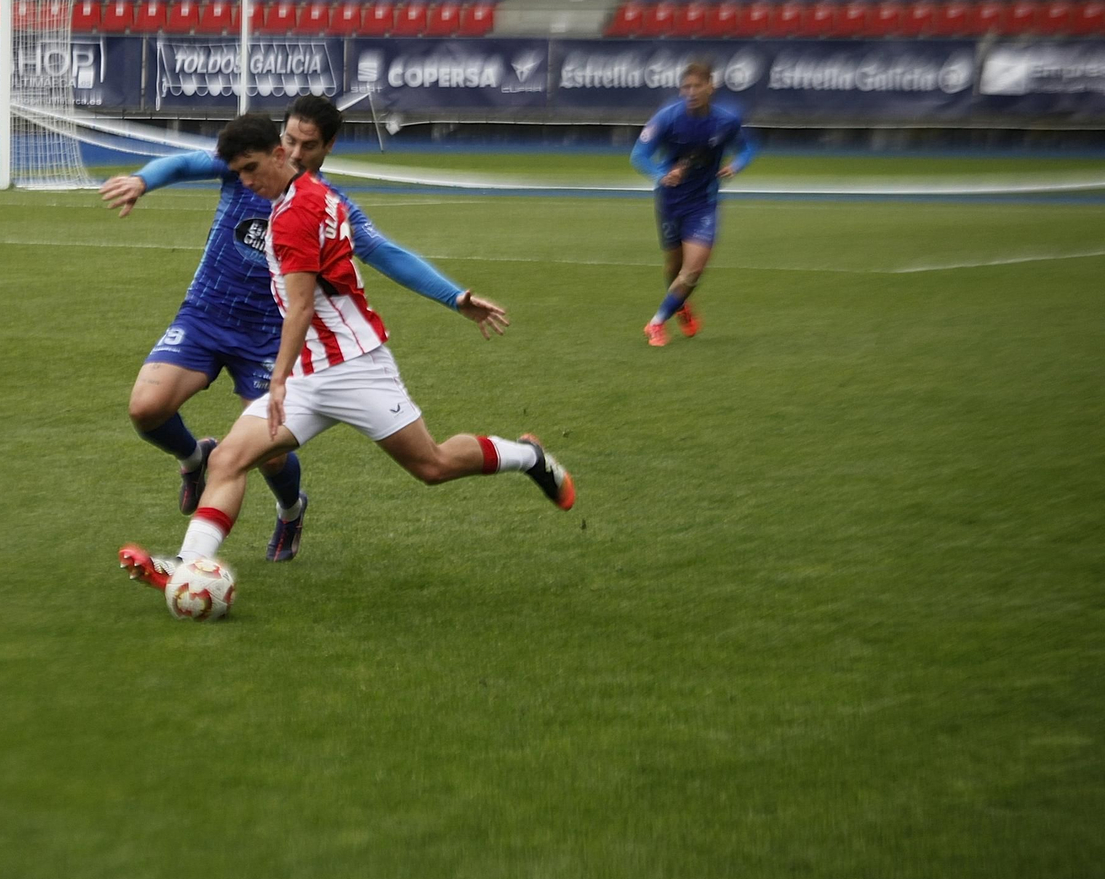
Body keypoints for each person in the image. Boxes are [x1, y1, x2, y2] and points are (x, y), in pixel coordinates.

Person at [117, 112, 575, 589]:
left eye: (252, 169)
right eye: (242, 171)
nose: (245, 181)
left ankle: (528, 456)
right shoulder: (311, 197)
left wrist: (276, 383)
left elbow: (299, 309)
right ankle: (187, 567)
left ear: (282, 156)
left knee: (432, 466)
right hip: (307, 371)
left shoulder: (295, 215)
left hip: (354, 368)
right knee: (230, 458)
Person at [629, 61, 755, 346]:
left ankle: (656, 323)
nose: (691, 92)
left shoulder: (726, 121)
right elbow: (639, 155)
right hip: (671, 202)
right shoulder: (667, 118)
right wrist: (662, 174)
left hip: (703, 203)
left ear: (711, 87)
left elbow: (748, 147)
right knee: (674, 267)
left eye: (697, 86)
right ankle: (680, 306)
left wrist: (736, 164)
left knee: (693, 270)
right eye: (686, 87)